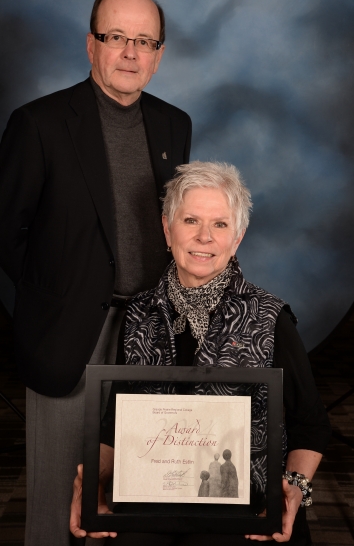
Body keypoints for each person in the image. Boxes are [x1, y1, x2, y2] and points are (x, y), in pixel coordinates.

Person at [0, 0, 191, 546]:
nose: (130, 53)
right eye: (116, 37)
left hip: (150, 332)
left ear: (159, 54)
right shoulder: (39, 124)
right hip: (67, 332)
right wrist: (58, 287)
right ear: (90, 45)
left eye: (144, 41)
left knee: (137, 494)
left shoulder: (176, 126)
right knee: (60, 507)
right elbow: (1, 227)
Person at [71, 161, 331, 545]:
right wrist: (91, 478)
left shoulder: (270, 317)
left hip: (247, 512)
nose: (204, 237)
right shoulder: (138, 314)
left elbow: (310, 424)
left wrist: (292, 488)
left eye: (220, 224)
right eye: (191, 220)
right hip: (152, 502)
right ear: (166, 228)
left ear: (237, 237)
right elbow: (117, 422)